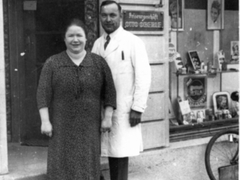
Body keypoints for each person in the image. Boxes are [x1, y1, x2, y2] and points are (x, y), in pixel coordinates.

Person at [37, 18, 116, 180]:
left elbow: (110, 92)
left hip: (89, 127)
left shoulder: (98, 63)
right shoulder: (52, 63)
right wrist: (45, 121)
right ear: (64, 39)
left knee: (88, 167)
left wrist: (107, 117)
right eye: (70, 36)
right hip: (61, 127)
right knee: (61, 167)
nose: (75, 40)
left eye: (79, 35)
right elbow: (42, 94)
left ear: (87, 38)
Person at [92, 1, 151, 180]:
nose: (108, 19)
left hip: (124, 109)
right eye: (104, 15)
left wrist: (138, 108)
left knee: (119, 156)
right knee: (105, 153)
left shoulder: (133, 42)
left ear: (121, 16)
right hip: (101, 109)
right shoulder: (97, 44)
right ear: (100, 17)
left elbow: (144, 76)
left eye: (112, 15)